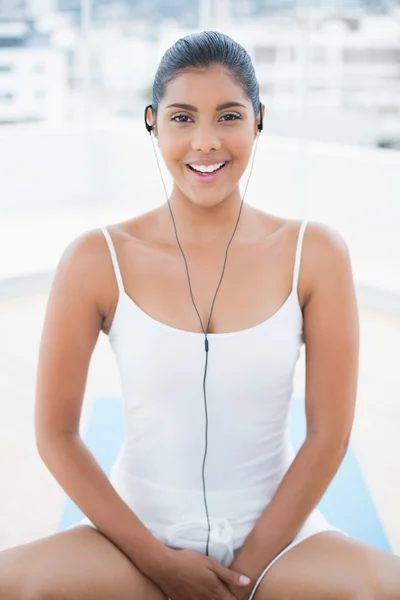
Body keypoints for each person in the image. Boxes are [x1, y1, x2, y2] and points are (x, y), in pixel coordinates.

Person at [1, 30, 399, 600]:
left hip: (281, 542)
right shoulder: (96, 258)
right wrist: (159, 564)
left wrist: (240, 579)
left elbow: (328, 435)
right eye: (183, 117)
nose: (206, 142)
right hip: (133, 541)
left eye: (229, 116)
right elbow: (56, 435)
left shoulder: (315, 254)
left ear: (259, 119)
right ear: (152, 122)